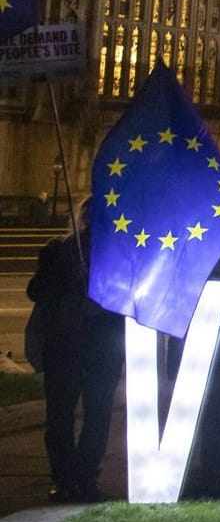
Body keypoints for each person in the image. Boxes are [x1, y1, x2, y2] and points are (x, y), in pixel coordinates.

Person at [27, 207, 123, 502]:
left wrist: (101, 298)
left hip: (101, 347)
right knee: (60, 416)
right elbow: (37, 290)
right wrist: (69, 282)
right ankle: (64, 478)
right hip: (64, 346)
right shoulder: (58, 251)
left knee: (98, 414)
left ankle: (86, 477)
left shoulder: (118, 254)